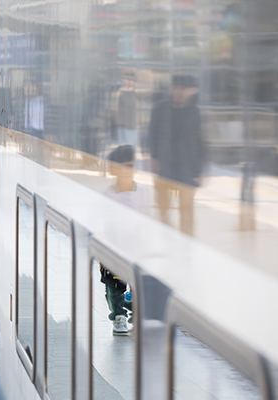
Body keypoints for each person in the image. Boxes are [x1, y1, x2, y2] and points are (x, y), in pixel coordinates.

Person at [148, 75, 204, 235]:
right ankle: (166, 237)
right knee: (164, 208)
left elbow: (199, 141)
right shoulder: (160, 109)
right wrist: (154, 157)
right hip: (165, 166)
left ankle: (187, 239)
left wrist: (199, 169)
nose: (179, 92)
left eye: (183, 89)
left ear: (190, 92)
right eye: (176, 88)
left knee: (186, 209)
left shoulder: (194, 111)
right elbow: (152, 134)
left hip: (187, 168)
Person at [100, 145, 146, 335]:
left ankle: (136, 315)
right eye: (123, 167)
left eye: (130, 166)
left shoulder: (142, 193)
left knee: (138, 284)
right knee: (114, 284)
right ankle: (118, 316)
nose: (127, 171)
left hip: (137, 246)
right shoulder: (108, 195)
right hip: (114, 246)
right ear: (115, 170)